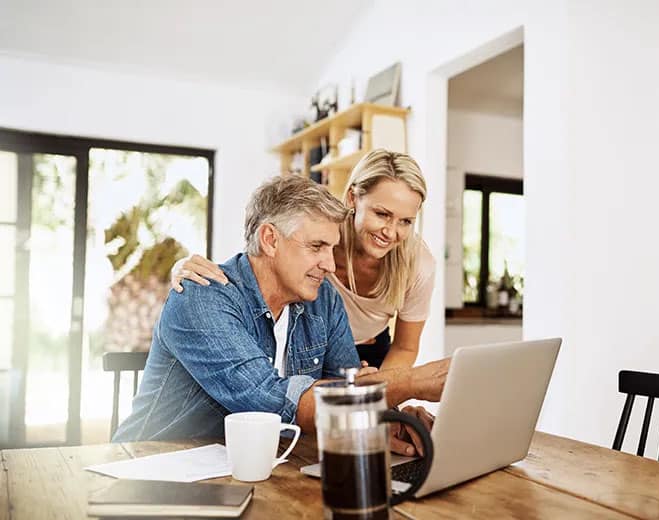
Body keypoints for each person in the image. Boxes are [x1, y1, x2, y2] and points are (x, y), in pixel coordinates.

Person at [113, 175, 447, 456]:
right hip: (151, 468)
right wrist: (412, 382)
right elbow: (274, 402)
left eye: (332, 248)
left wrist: (392, 418)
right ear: (270, 239)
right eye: (316, 247)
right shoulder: (202, 298)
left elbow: (349, 385)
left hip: (256, 467)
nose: (330, 265)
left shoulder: (323, 299)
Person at [172, 149, 434, 370]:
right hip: (307, 338)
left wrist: (384, 400)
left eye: (406, 221)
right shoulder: (322, 229)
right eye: (382, 214)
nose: (391, 231)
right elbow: (260, 260)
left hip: (369, 350)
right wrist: (186, 271)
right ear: (353, 198)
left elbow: (405, 346)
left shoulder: (417, 264)